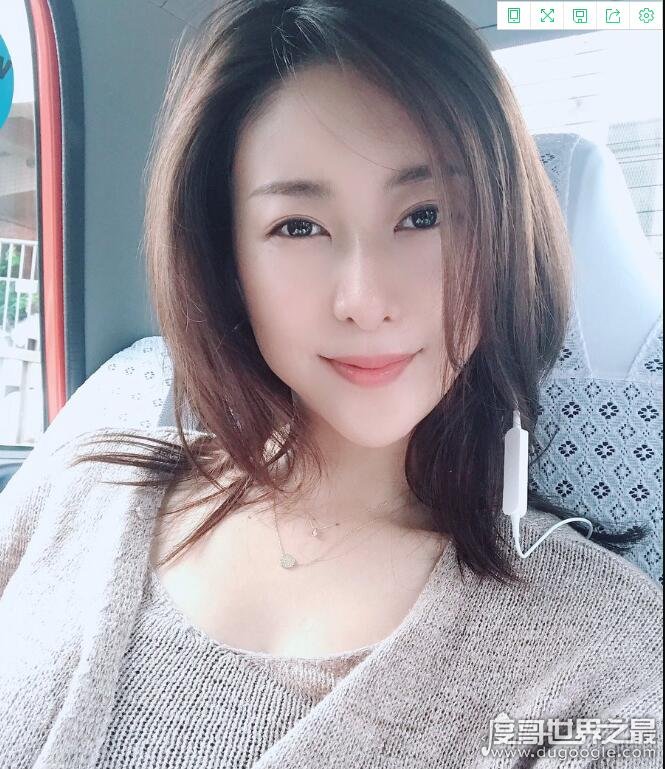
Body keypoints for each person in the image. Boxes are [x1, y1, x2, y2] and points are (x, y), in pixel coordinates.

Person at [0, 1, 661, 767]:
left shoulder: (608, 663)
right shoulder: (82, 485)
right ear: (227, 261)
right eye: (298, 226)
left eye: (424, 215)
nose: (364, 299)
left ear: (503, 239)